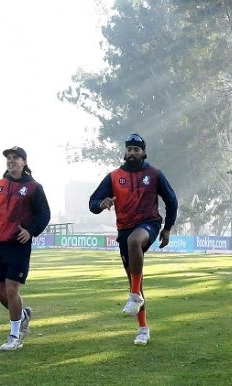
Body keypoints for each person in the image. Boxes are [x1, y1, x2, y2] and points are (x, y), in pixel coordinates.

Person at [88, 133, 178, 346]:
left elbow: (172, 200)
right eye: (129, 149)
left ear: (143, 152)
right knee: (133, 279)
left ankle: (135, 294)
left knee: (135, 241)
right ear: (125, 151)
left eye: (136, 149)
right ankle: (143, 328)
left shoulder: (154, 174)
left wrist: (167, 228)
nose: (132, 152)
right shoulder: (114, 176)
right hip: (124, 229)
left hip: (149, 224)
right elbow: (93, 202)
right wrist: (101, 203)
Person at [0, 146, 50, 351]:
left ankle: (15, 336)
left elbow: (44, 214)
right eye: (8, 157)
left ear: (24, 162)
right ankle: (22, 316)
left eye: (15, 157)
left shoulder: (34, 187)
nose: (11, 160)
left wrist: (31, 231)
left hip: (18, 245)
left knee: (11, 289)